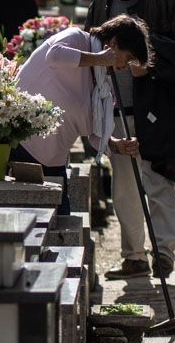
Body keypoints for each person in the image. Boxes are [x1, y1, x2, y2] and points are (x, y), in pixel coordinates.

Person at [86, 0, 175, 280]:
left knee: (159, 182)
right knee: (124, 188)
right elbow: (90, 53)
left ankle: (163, 252)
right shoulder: (100, 6)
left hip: (158, 109)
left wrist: (147, 60)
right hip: (118, 108)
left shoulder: (164, 2)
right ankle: (134, 257)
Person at [12, 15, 151, 213]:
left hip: (54, 160)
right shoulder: (77, 38)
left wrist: (115, 145)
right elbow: (54, 56)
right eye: (127, 58)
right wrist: (100, 59)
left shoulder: (104, 81)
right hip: (20, 146)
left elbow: (94, 130)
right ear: (113, 43)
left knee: (59, 223)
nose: (124, 67)